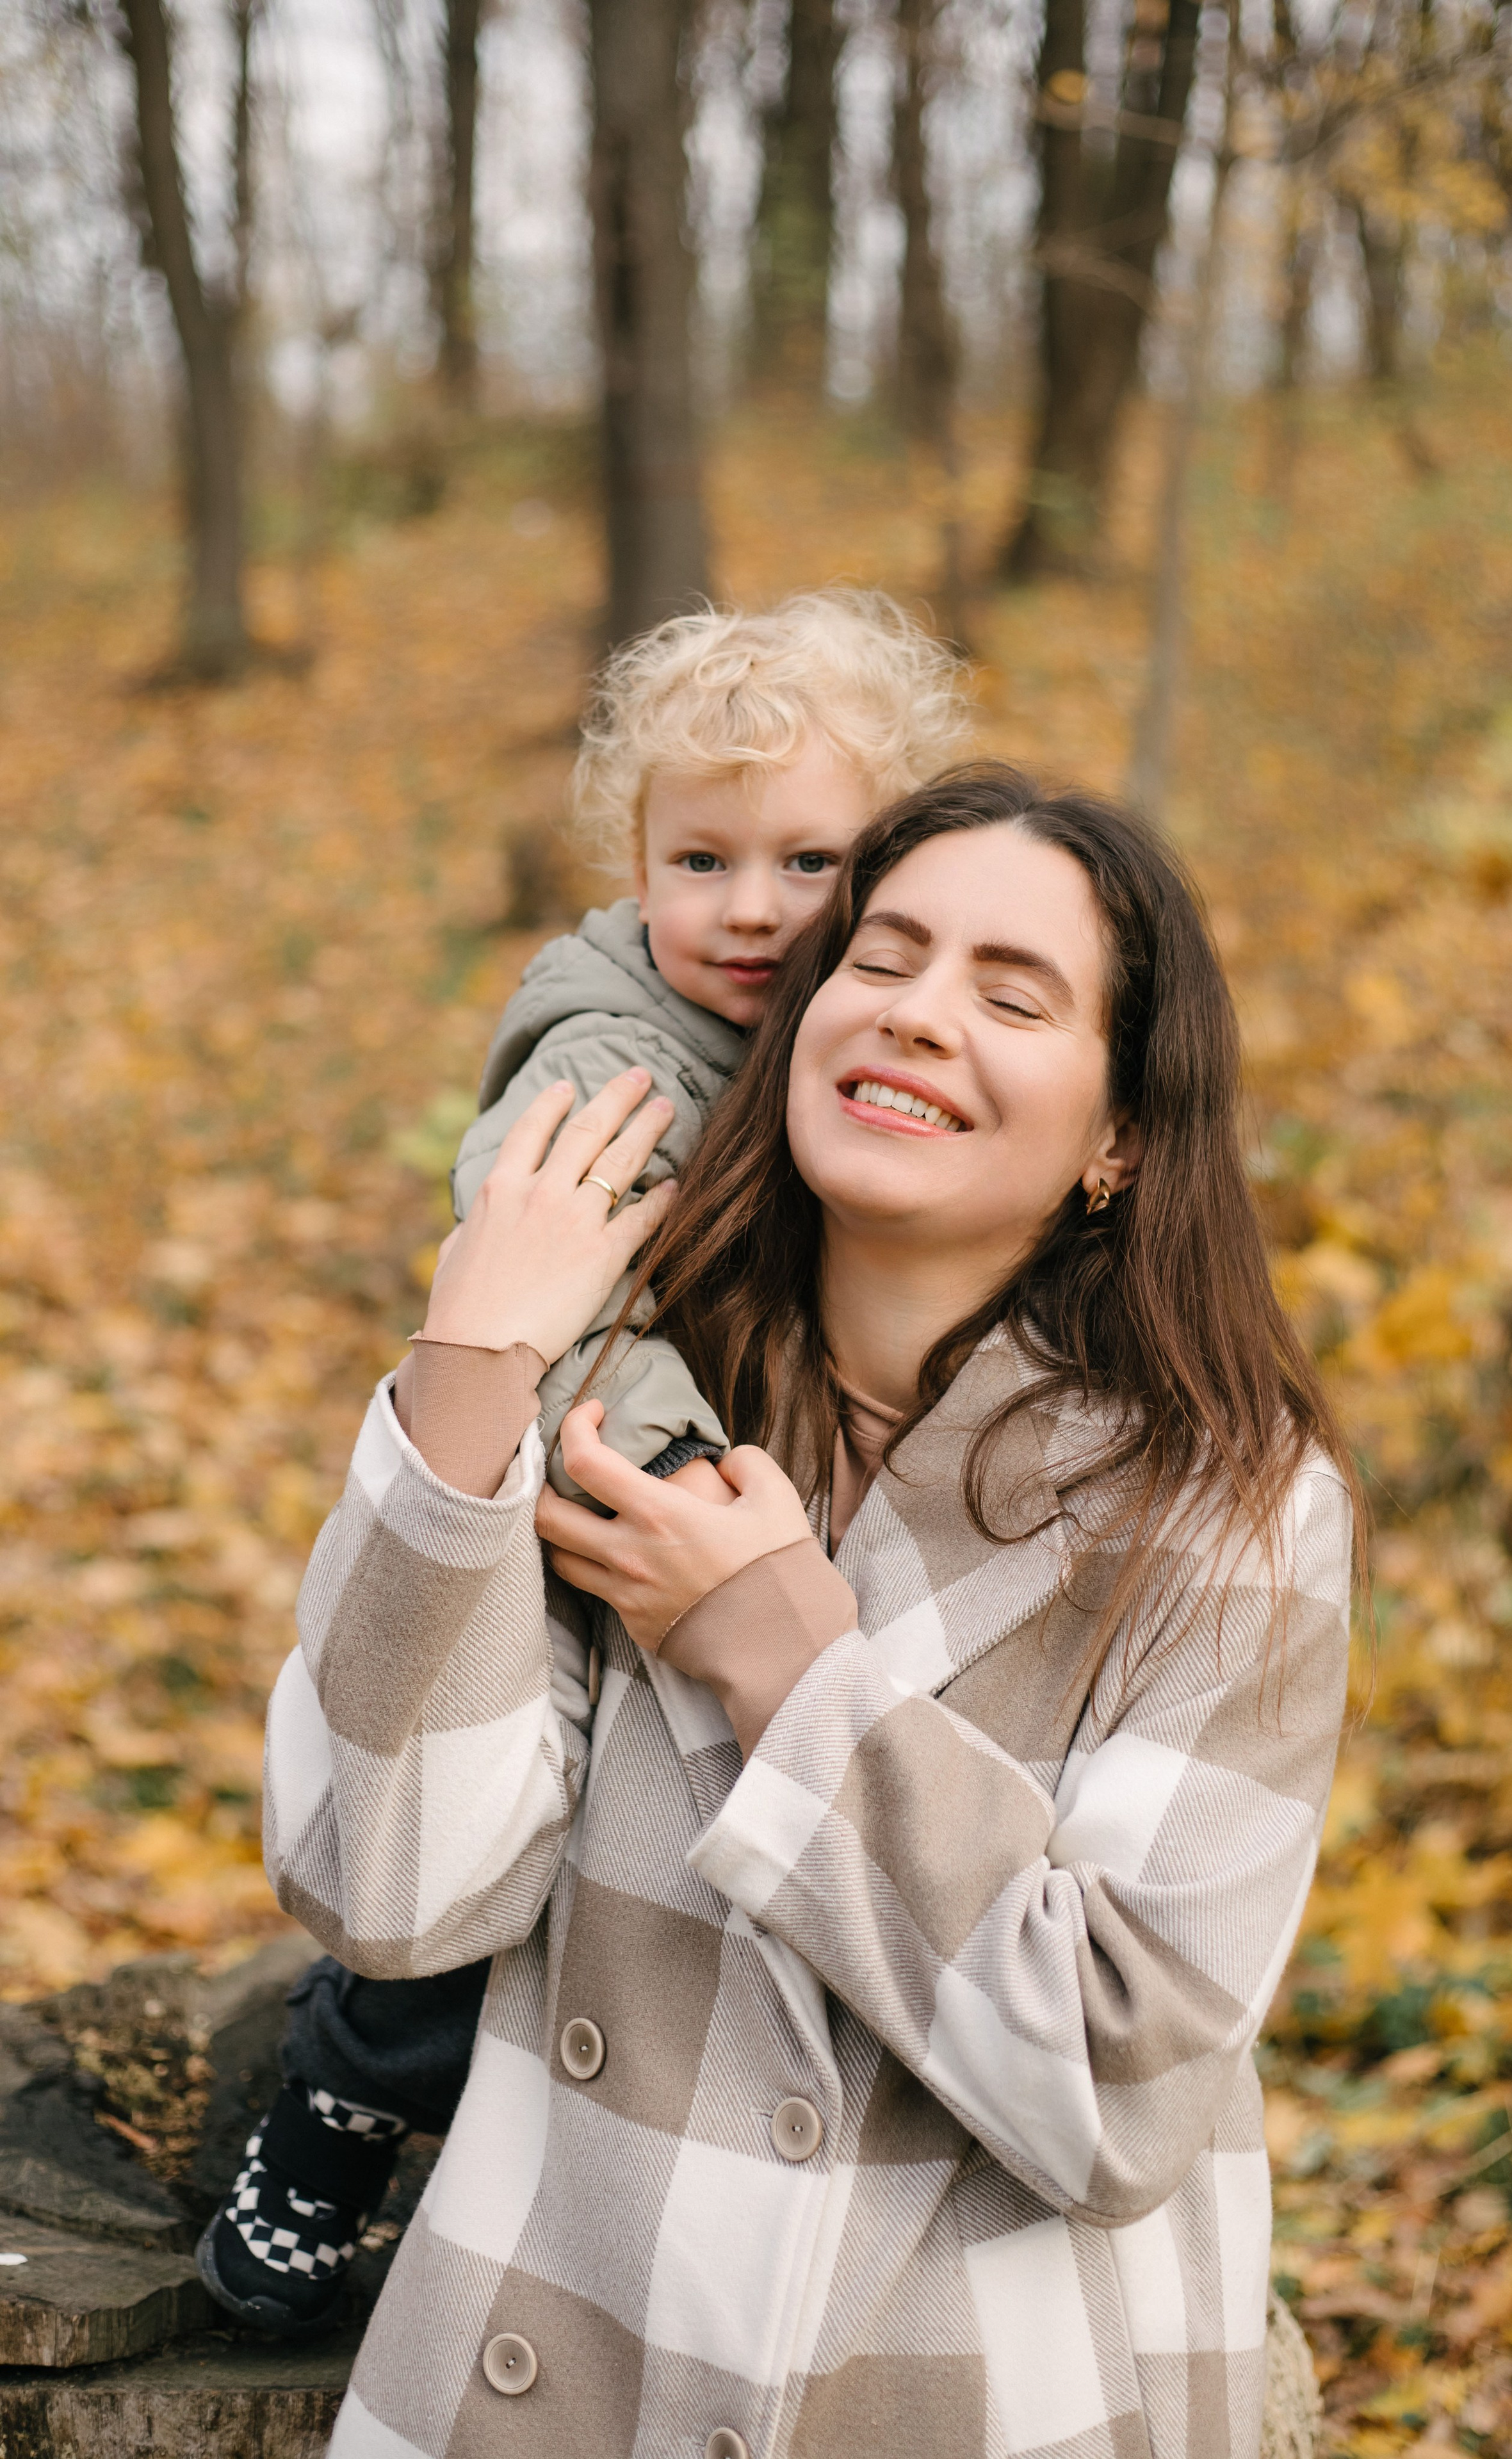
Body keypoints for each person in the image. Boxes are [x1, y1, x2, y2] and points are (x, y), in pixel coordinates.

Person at [263, 765, 1360, 2459]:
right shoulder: (614, 1397)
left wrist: (783, 1652)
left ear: (1122, 1136)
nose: (919, 1015)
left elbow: (1114, 2081)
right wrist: (474, 1367)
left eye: (1009, 994)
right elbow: (388, 1890)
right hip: (553, 2382)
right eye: (883, 957)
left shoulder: (1222, 1506)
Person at [197, 591, 971, 2336]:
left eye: (811, 861)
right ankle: (332, 2113)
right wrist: (680, 1482)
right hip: (584, 1503)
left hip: (696, 1509)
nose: (755, 909)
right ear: (635, 867)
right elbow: (564, 1284)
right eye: (702, 861)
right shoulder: (624, 1056)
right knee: (497, 1852)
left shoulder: (814, 1032)